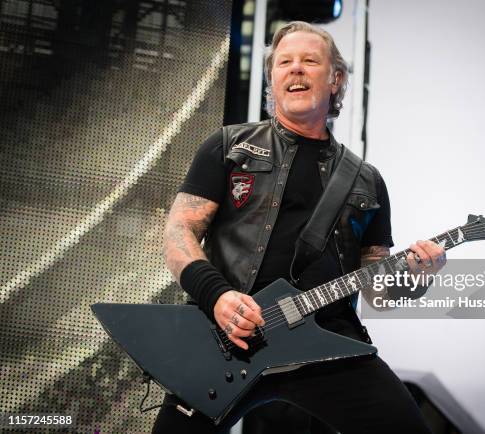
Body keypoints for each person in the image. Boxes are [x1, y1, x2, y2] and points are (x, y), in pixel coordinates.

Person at [152, 21, 446, 434]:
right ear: (272, 78)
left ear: (336, 79)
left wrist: (416, 279)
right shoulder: (229, 146)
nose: (296, 69)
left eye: (310, 61)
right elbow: (177, 234)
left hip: (327, 342)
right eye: (285, 62)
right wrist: (217, 297)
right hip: (227, 338)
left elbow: (377, 287)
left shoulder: (367, 179)